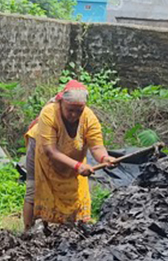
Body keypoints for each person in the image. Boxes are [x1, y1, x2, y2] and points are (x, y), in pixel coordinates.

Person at [22, 80, 116, 228]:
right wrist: (78, 166)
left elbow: (97, 146)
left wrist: (105, 158)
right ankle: (27, 231)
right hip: (41, 151)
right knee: (33, 189)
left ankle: (68, 229)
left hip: (71, 159)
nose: (74, 115)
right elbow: (50, 151)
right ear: (61, 103)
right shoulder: (49, 113)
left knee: (75, 193)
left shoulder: (89, 117)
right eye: (70, 110)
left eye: (79, 111)